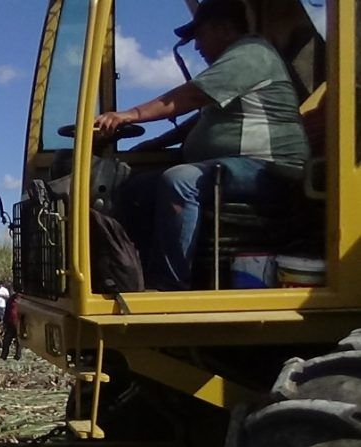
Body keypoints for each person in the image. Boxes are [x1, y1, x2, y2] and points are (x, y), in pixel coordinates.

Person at [95, 0, 309, 290]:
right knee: (136, 189)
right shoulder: (232, 67)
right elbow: (199, 121)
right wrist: (154, 144)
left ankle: (170, 285)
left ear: (224, 28)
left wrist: (129, 115)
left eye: (200, 36)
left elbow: (192, 97)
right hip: (233, 169)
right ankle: (133, 275)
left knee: (181, 181)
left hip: (268, 171)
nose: (196, 47)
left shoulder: (251, 54)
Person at [0, 292, 23, 361]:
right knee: (6, 341)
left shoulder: (23, 299)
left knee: (19, 341)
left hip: (19, 324)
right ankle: (4, 355)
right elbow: (7, 311)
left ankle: (18, 356)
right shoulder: (11, 299)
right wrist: (4, 322)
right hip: (10, 323)